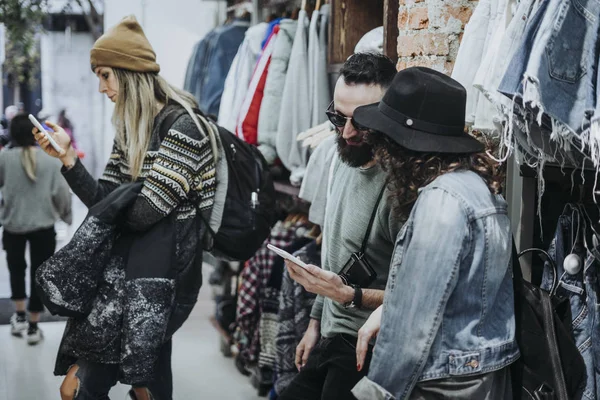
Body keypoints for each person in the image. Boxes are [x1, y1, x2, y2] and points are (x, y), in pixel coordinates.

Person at [33, 16, 217, 400]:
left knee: (83, 388)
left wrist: (122, 198)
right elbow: (107, 202)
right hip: (130, 272)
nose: (101, 88)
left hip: (163, 282)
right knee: (147, 384)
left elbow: (139, 214)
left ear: (130, 73)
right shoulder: (131, 129)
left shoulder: (183, 129)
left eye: (106, 76)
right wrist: (68, 158)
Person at [351, 67, 518, 399]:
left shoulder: (443, 201)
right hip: (482, 377)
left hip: (444, 384)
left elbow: (412, 326)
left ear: (400, 146)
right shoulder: (479, 190)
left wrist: (375, 392)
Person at [278, 53, 401, 400]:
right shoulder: (341, 158)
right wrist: (316, 323)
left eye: (360, 121)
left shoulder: (400, 189)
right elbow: (334, 256)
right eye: (338, 117)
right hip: (333, 335)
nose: (346, 132)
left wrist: (350, 296)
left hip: (369, 346)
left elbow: (417, 299)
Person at [0, 114, 72, 344]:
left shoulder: (4, 158)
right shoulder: (50, 159)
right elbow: (61, 192)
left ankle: (19, 316)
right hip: (44, 225)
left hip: (13, 225)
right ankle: (33, 326)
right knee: (39, 275)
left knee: (16, 269)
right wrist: (66, 216)